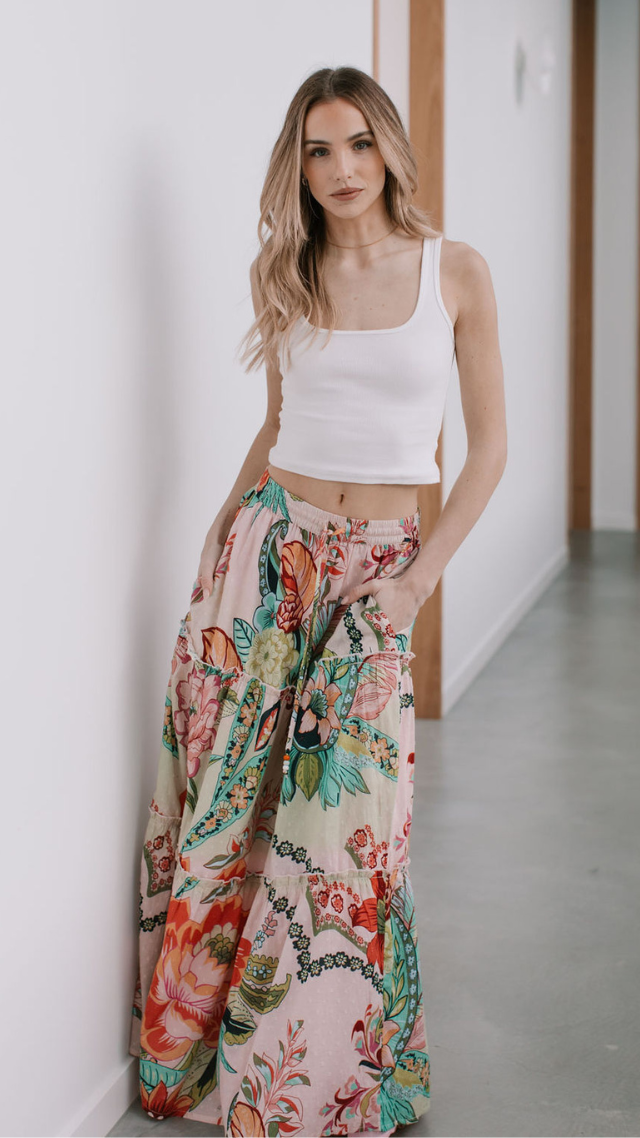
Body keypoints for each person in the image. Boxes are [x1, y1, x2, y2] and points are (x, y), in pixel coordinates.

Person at [128, 65, 507, 1138]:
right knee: (235, 800)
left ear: (388, 147)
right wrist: (222, 518)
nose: (340, 170)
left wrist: (417, 579)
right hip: (269, 551)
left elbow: (489, 451)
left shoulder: (455, 273)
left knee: (347, 834)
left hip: (381, 566)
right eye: (316, 149)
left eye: (356, 144)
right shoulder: (282, 271)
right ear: (296, 165)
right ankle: (205, 1058)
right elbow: (281, 417)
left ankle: (320, 1080)